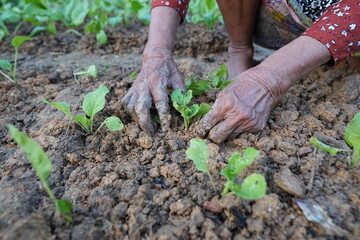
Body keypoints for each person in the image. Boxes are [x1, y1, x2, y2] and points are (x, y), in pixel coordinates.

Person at [121, 0, 359, 143]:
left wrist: (267, 79)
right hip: (278, 14)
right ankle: (239, 49)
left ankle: (336, 54)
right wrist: (157, 53)